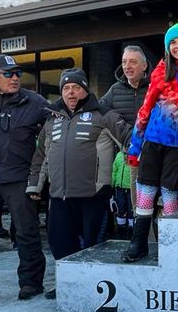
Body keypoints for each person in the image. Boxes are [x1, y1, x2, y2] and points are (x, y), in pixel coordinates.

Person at [27, 68, 131, 273]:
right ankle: (69, 284)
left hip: (93, 197)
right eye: (66, 88)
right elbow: (41, 155)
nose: (71, 92)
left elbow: (130, 139)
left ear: (85, 90)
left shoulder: (104, 114)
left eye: (76, 87)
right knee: (60, 246)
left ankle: (92, 285)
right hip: (59, 197)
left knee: (93, 249)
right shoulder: (52, 119)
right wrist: (34, 185)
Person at [0, 54, 49, 299]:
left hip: (18, 176)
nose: (15, 78)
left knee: (26, 231)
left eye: (18, 73)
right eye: (8, 74)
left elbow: (57, 125)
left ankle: (31, 282)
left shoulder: (34, 102)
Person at [123, 24, 178, 262]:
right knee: (146, 191)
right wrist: (135, 145)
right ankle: (139, 243)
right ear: (168, 48)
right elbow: (145, 110)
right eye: (173, 43)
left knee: (171, 194)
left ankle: (171, 245)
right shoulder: (160, 71)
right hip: (154, 141)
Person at [100, 45, 151, 212]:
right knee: (135, 206)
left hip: (153, 153)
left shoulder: (154, 87)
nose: (127, 66)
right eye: (124, 62)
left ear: (144, 66)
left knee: (155, 200)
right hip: (130, 157)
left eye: (133, 62)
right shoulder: (115, 90)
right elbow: (100, 110)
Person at [111, 149, 134, 239]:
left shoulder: (135, 154)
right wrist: (112, 185)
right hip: (119, 188)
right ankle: (121, 231)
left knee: (131, 210)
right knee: (121, 208)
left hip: (131, 188)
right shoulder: (119, 155)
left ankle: (131, 232)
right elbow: (114, 171)